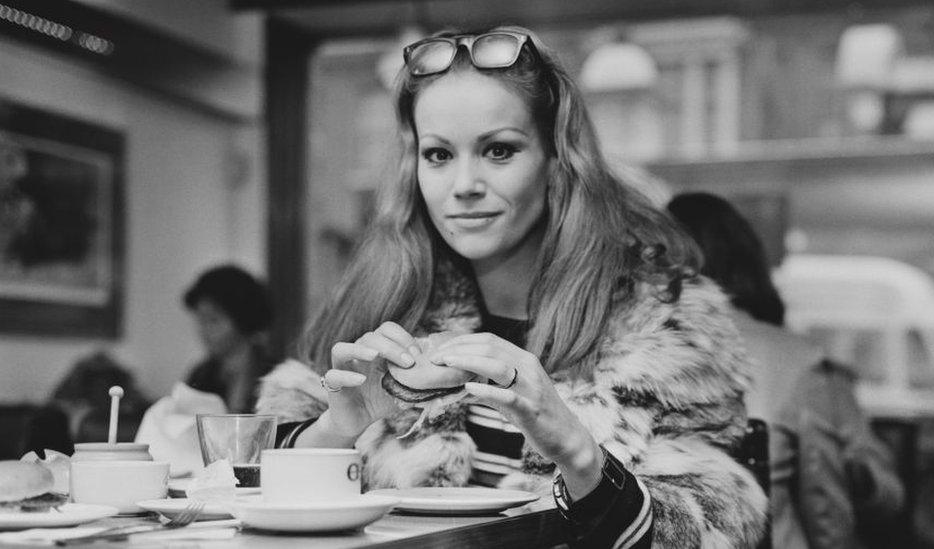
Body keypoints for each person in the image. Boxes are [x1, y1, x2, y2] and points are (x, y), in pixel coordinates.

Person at [256, 27, 766, 547]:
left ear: (556, 161)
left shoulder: (662, 328)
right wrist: (336, 430)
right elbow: (254, 498)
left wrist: (576, 449)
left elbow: (718, 531)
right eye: (438, 154)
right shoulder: (384, 301)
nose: (464, 185)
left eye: (499, 150)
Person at [667, 192, 905, 549]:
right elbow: (832, 513)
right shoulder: (800, 361)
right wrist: (854, 465)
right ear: (749, 264)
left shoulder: (630, 357)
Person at [182, 265, 275, 413]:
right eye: (200, 320)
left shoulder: (275, 375)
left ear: (241, 320)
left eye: (213, 320)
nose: (204, 331)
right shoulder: (201, 376)